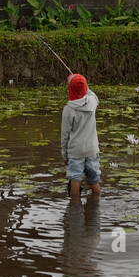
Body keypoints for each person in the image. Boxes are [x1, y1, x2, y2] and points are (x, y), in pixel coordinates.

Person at [61, 72, 101, 201]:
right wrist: (85, 86)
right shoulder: (92, 102)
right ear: (85, 88)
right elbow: (92, 94)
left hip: (75, 151)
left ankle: (74, 208)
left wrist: (64, 155)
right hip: (92, 150)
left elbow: (65, 135)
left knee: (75, 178)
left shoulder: (68, 109)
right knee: (94, 180)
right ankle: (96, 204)